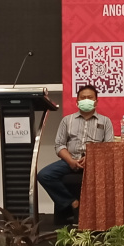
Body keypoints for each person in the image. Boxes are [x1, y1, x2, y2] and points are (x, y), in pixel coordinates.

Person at [37, 84, 113, 221]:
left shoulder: (105, 121)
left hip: (95, 163)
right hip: (70, 160)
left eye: (90, 97)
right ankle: (71, 202)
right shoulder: (67, 120)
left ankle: (103, 216)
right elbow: (59, 145)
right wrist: (71, 161)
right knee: (44, 175)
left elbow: (108, 147)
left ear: (96, 101)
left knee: (112, 177)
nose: (86, 100)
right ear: (77, 101)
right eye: (83, 98)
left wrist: (91, 158)